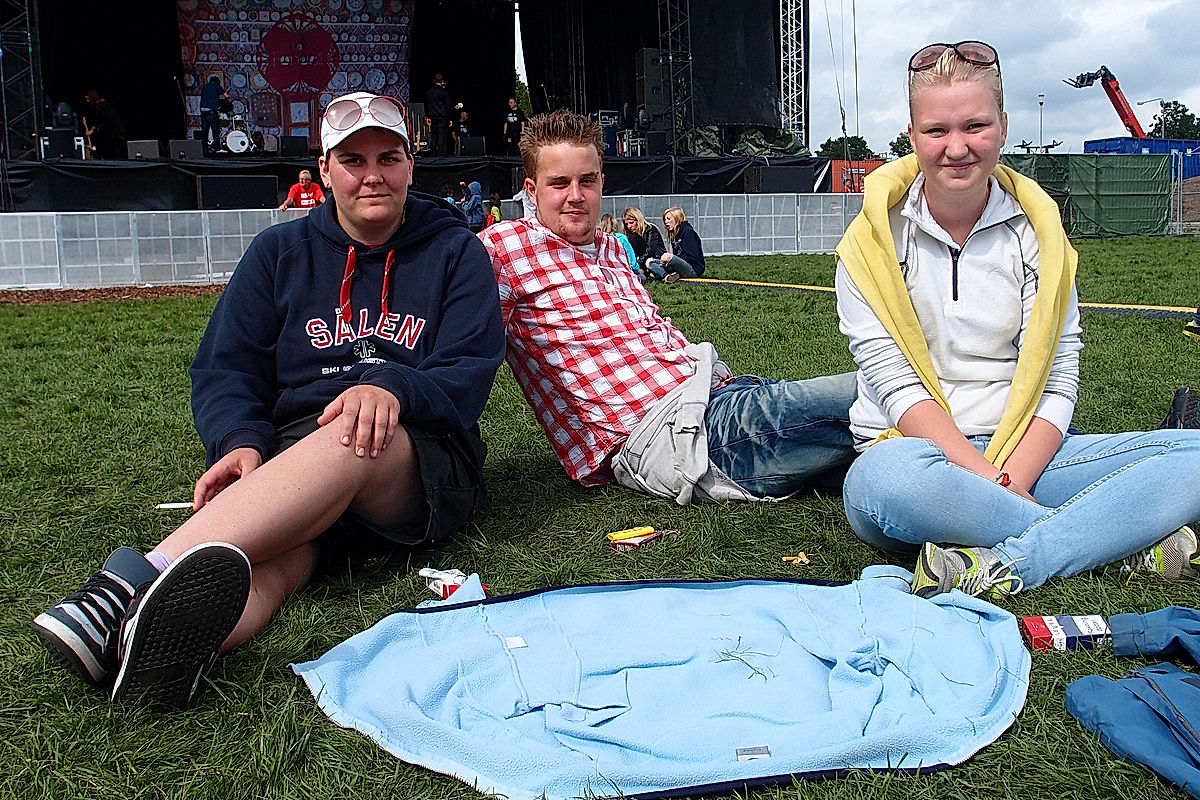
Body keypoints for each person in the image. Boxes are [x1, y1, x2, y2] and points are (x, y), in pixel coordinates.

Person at [31, 90, 505, 710]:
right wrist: (240, 441)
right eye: (353, 160)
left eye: (388, 158)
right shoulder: (279, 253)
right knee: (264, 565)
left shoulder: (456, 251)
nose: (372, 175)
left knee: (353, 430)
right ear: (325, 169)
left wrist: (392, 385)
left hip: (416, 460)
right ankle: (147, 655)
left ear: (410, 166)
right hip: (297, 463)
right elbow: (227, 367)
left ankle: (130, 583)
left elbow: (468, 371)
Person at [835, 40, 1200, 601]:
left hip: (1026, 453)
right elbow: (896, 388)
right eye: (936, 130)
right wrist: (991, 483)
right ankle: (1115, 540)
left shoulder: (1039, 234)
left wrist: (1011, 481)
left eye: (975, 126)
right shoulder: (868, 244)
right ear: (912, 135)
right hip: (915, 459)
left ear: (1003, 127)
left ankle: (1014, 560)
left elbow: (1059, 376)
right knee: (886, 482)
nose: (957, 147)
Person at [480, 109, 857, 504]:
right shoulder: (503, 249)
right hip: (670, 435)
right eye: (559, 183)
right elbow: (462, 350)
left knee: (876, 446)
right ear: (531, 190)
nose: (575, 195)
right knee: (871, 394)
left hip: (719, 392)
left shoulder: (612, 248)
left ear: (601, 182)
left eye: (586, 181)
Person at [649, 206, 706, 283]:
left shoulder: (687, 232)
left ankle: (661, 273)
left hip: (693, 269)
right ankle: (667, 276)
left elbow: (692, 257)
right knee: (650, 262)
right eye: (665, 220)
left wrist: (671, 260)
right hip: (680, 266)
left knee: (667, 256)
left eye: (668, 219)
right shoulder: (675, 234)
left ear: (677, 218)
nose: (666, 222)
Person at [621, 207, 667, 280]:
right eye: (626, 224)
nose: (629, 226)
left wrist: (638, 265)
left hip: (656, 259)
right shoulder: (631, 235)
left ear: (638, 220)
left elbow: (650, 251)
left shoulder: (650, 229)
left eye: (631, 223)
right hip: (643, 261)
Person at [82, 89, 125, 160]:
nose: (87, 101)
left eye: (88, 99)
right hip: (114, 133)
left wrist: (92, 130)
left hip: (112, 134)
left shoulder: (102, 107)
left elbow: (101, 121)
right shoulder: (104, 106)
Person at [598, 212, 643, 281]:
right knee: (642, 277)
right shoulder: (621, 239)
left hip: (604, 273)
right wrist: (637, 270)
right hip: (622, 272)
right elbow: (631, 260)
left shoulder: (598, 239)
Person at [424, 73, 453, 156]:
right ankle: (441, 156)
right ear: (442, 81)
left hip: (433, 118)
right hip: (443, 118)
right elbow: (447, 106)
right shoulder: (443, 92)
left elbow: (426, 105)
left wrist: (427, 116)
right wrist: (450, 118)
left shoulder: (429, 92)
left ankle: (432, 154)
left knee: (434, 137)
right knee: (442, 137)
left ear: (434, 81)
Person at [199, 76, 226, 155]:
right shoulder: (216, 86)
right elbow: (226, 95)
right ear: (217, 82)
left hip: (203, 111)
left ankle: (204, 150)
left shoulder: (205, 86)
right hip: (211, 111)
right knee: (215, 130)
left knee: (205, 131)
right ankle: (217, 148)